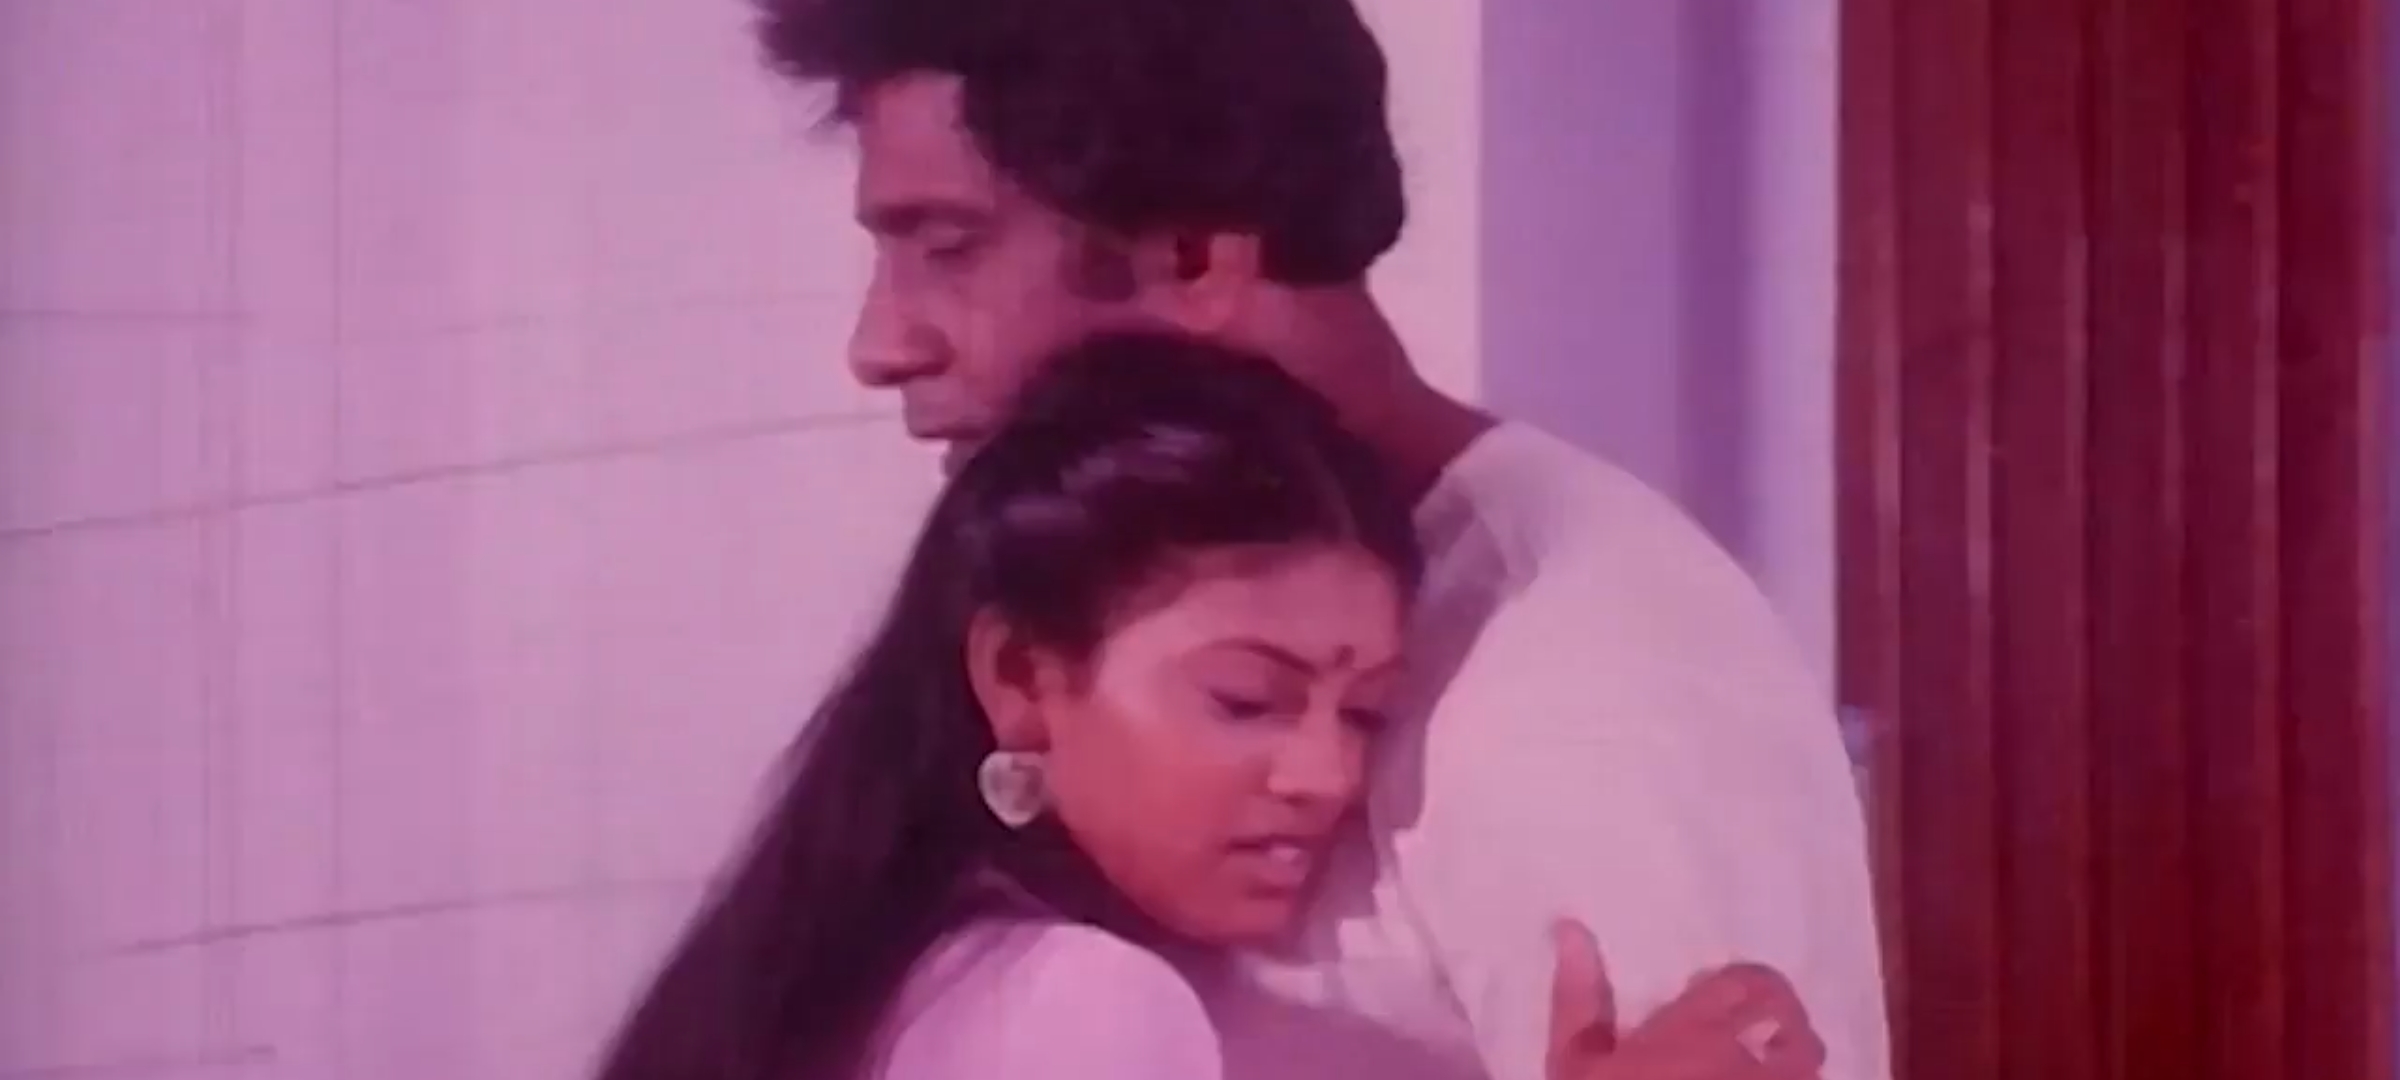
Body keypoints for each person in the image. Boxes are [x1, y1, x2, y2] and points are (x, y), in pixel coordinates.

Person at [749, 1, 1890, 1079]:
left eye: (949, 248)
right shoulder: (1076, 622)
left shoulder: (1569, 686)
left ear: (1194, 257)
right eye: (1249, 700)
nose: (879, 344)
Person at [590, 332, 1823, 1080]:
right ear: (1021, 679)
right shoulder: (1076, 1003)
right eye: (1247, 700)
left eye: (1365, 714)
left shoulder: (857, 973)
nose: (1326, 777)